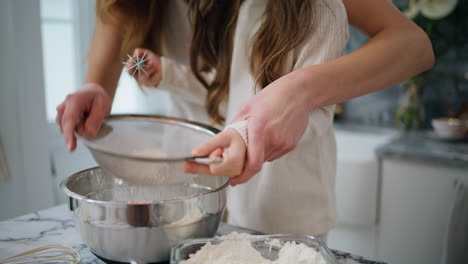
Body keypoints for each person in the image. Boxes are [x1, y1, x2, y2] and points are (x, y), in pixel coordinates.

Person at [56, 0, 434, 240]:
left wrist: (300, 92)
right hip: (199, 203)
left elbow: (412, 45)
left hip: (284, 217)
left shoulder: (310, 11)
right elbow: (221, 94)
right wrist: (104, 83)